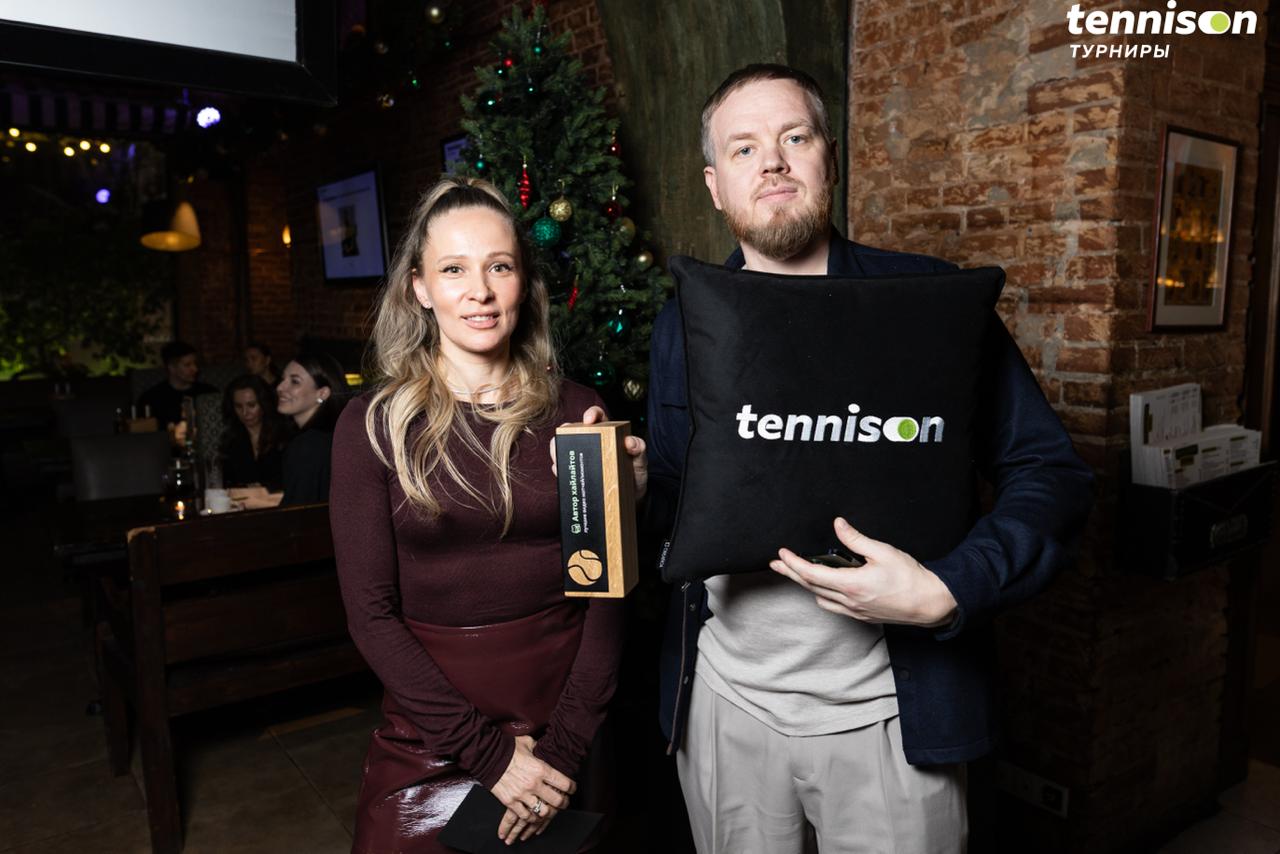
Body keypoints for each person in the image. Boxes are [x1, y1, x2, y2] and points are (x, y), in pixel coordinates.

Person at [646, 64, 1095, 853]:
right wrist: (633, 487)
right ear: (716, 186)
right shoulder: (679, 325)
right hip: (723, 709)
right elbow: (681, 499)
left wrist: (950, 590)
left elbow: (1051, 473)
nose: (772, 161)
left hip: (892, 716)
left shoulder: (928, 304)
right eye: (744, 148)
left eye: (794, 137)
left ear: (829, 156)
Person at [330, 176, 646, 853]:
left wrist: (560, 754)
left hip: (567, 730)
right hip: (431, 736)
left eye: (499, 266)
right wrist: (493, 758)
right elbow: (369, 614)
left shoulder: (576, 411)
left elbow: (608, 598)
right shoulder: (371, 426)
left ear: (522, 282)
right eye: (454, 269)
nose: (479, 290)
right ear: (419, 287)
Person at [277, 352, 347, 505]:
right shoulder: (335, 435)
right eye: (283, 379)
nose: (280, 387)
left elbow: (298, 511)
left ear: (322, 393)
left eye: (295, 382)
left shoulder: (309, 445)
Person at [219, 374, 289, 491]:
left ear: (264, 404)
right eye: (238, 406)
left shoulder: (284, 435)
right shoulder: (230, 439)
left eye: (251, 405)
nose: (245, 413)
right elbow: (228, 482)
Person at [136, 340, 217, 430]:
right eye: (187, 365)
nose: (195, 369)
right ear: (172, 368)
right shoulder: (152, 398)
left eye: (195, 363)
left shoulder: (209, 393)